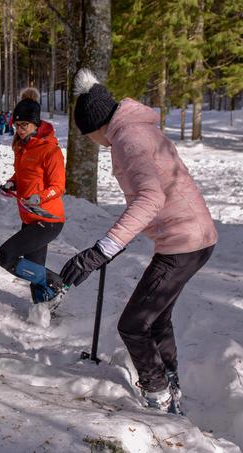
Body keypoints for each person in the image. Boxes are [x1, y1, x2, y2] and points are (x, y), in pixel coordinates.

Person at [60, 69, 218, 414]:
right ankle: (170, 381)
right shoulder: (139, 129)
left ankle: (158, 395)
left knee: (133, 324)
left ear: (96, 127)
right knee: (156, 318)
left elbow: (149, 199)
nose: (90, 142)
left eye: (86, 135)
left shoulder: (127, 140)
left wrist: (101, 251)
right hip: (195, 236)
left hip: (183, 242)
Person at [0, 88, 66, 310]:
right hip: (29, 218)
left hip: (48, 220)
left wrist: (39, 198)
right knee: (35, 276)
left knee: (5, 256)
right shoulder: (21, 147)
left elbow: (59, 187)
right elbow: (23, 175)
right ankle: (45, 313)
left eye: (24, 125)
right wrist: (12, 183)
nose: (20, 130)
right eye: (17, 125)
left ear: (36, 124)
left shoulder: (50, 151)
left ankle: (55, 282)